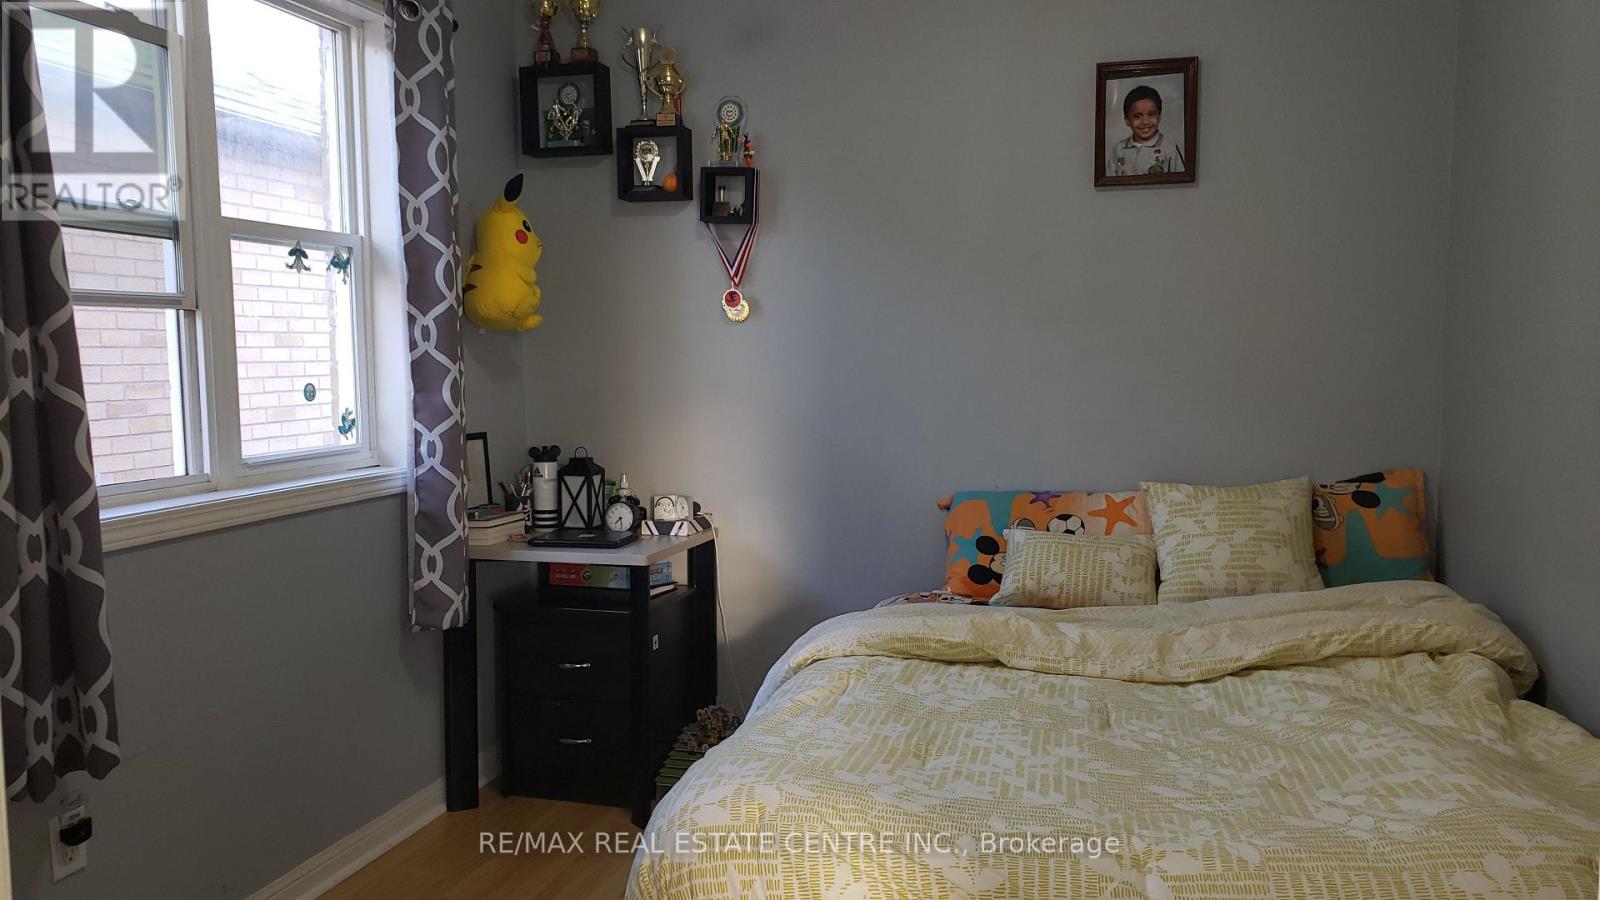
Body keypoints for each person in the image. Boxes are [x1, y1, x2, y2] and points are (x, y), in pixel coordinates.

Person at [1107, 84, 1185, 176]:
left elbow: (1182, 181)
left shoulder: (1169, 149)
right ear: (1127, 121)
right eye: (1137, 116)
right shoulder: (1119, 150)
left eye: (1151, 114)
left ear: (1159, 116)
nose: (1145, 122)